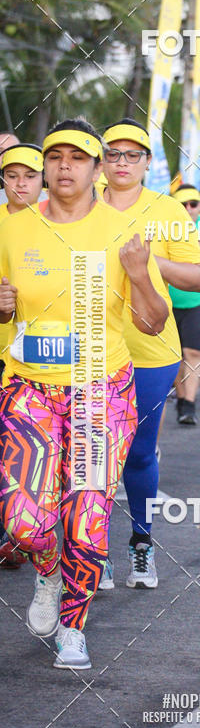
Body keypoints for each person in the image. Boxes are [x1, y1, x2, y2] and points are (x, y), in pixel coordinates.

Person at [0, 119, 168, 668]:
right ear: (45, 168)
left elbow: (152, 321)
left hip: (103, 392)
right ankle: (47, 569)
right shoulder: (12, 227)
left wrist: (140, 275)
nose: (65, 166)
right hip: (29, 389)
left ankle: (74, 623)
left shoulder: (123, 231)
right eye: (56, 157)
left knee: (87, 515)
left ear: (97, 171)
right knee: (23, 520)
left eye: (78, 157)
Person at [100, 119, 200, 588]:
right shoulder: (79, 205)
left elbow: (196, 278)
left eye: (132, 154)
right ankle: (92, 551)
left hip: (150, 349)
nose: (122, 162)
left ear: (147, 162)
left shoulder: (165, 209)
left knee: (138, 453)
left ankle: (141, 546)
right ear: (101, 160)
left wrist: (145, 261)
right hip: (89, 347)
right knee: (91, 455)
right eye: (113, 153)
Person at [0, 143, 45, 569]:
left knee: (27, 452)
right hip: (4, 348)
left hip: (39, 359)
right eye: (11, 176)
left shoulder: (55, 222)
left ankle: (26, 536)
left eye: (29, 175)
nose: (20, 183)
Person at [170, 184, 200, 423]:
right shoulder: (164, 225)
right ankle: (181, 398)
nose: (188, 209)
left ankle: (189, 404)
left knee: (193, 351)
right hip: (169, 299)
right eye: (182, 204)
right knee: (174, 354)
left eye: (193, 204)